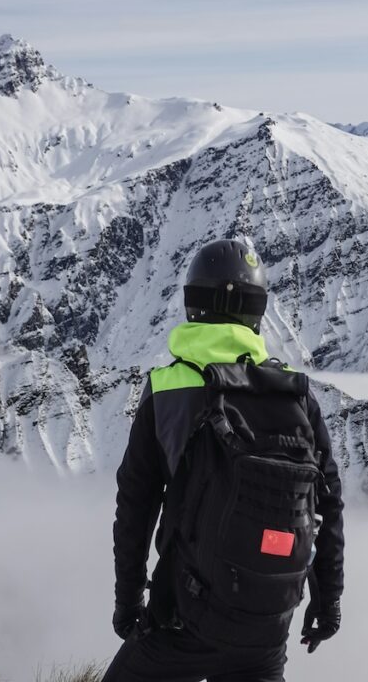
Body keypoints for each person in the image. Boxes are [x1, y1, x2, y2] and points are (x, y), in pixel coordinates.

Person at [102, 239, 345, 682]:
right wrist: (327, 602)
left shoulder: (168, 392)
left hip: (183, 624)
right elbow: (326, 506)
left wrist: (128, 602)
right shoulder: (294, 396)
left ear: (195, 302)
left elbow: (135, 507)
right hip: (267, 631)